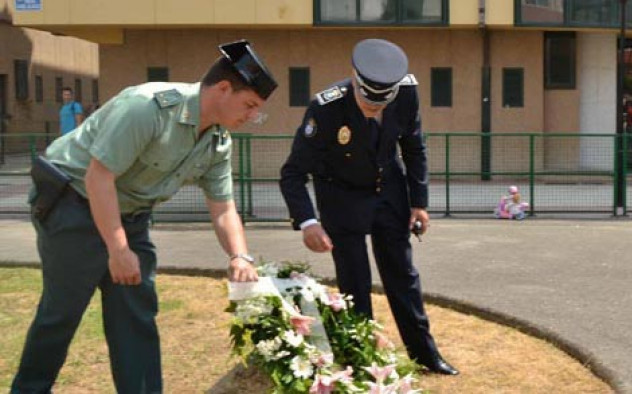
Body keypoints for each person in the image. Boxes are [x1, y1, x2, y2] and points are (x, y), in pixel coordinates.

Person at [12, 39, 277, 393]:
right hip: (72, 206)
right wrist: (118, 250)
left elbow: (224, 206)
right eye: (249, 105)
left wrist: (239, 255)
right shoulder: (148, 107)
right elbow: (98, 177)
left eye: (257, 110)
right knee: (61, 314)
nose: (251, 116)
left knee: (135, 318)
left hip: (130, 216)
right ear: (223, 88)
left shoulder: (217, 141)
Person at [279, 38, 458, 375]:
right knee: (355, 281)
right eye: (367, 102)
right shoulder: (325, 107)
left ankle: (425, 355)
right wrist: (307, 222)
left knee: (403, 276)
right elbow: (292, 173)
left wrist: (419, 203)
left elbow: (413, 147)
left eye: (380, 105)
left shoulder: (405, 93)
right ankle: (362, 358)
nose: (373, 109)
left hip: (389, 191)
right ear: (354, 79)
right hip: (341, 197)